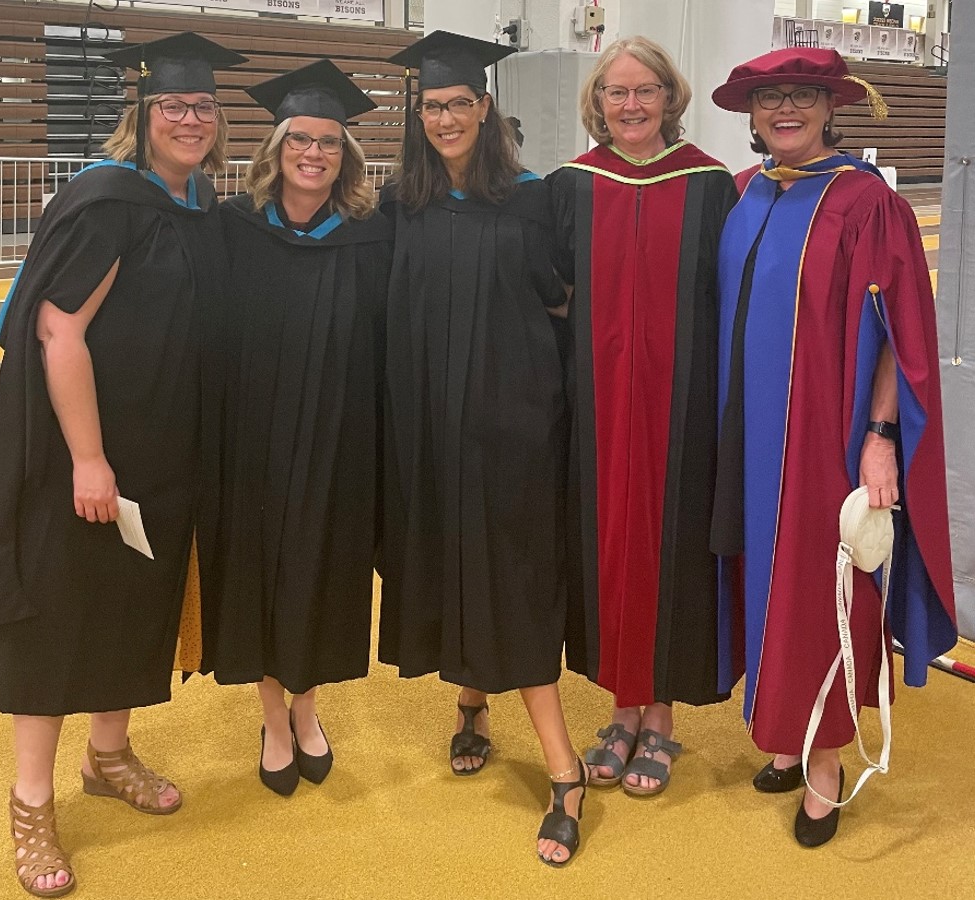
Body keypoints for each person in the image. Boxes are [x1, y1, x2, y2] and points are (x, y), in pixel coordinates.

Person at [0, 32, 245, 897]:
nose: (192, 119)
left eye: (204, 106)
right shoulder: (106, 200)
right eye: (175, 105)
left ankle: (108, 755)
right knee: (57, 618)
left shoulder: (195, 205)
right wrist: (89, 459)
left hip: (162, 453)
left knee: (132, 607)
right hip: (82, 453)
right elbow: (58, 331)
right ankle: (31, 804)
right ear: (143, 113)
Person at [710, 47, 956, 846]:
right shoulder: (743, 192)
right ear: (751, 114)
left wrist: (879, 437)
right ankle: (785, 736)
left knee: (823, 589)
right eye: (770, 97)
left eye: (802, 95)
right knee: (764, 581)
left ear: (828, 107)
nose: (784, 109)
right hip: (745, 434)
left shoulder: (863, 200)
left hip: (824, 433)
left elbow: (897, 333)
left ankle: (823, 764)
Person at [378, 31, 584, 866]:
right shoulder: (401, 203)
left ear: (485, 106)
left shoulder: (532, 199)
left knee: (515, 574)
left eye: (459, 103)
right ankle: (470, 701)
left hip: (512, 424)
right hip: (428, 426)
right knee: (452, 554)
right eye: (432, 106)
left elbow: (564, 299)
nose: (445, 118)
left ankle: (563, 769)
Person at [546, 36, 737, 798]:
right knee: (606, 544)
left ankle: (659, 718)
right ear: (597, 103)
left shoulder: (710, 186)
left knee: (671, 546)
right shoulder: (569, 187)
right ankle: (620, 709)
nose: (630, 105)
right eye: (615, 92)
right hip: (592, 407)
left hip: (681, 409)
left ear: (669, 97)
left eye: (644, 90)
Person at [198, 60, 391, 796]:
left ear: (346, 155)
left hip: (339, 440)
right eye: (300, 140)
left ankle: (307, 709)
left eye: (329, 142)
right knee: (259, 571)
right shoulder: (233, 227)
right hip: (252, 440)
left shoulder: (370, 236)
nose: (314, 153)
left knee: (320, 569)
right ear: (275, 149)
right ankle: (273, 719)